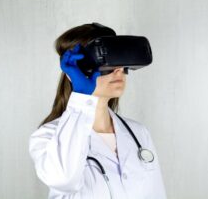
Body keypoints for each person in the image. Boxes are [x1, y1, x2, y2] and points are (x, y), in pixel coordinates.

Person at [28, 23, 167, 199]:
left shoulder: (139, 133)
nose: (118, 70)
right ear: (75, 71)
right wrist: (80, 98)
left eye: (120, 60)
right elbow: (64, 180)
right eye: (106, 62)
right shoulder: (47, 136)